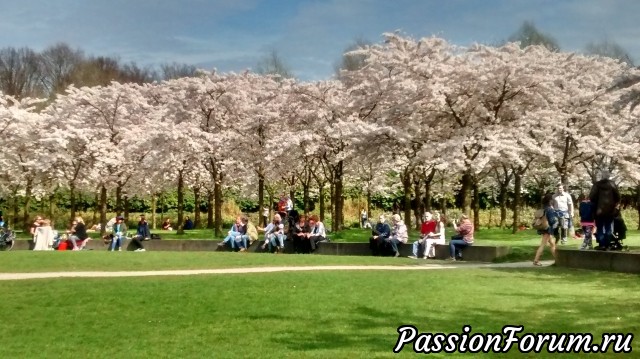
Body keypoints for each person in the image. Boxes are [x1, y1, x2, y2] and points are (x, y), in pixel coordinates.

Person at [589, 171, 620, 250]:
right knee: (608, 227)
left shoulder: (597, 185)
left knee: (599, 228)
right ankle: (608, 244)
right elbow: (618, 196)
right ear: (608, 176)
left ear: (601, 176)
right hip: (610, 210)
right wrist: (614, 204)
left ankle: (602, 245)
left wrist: (596, 202)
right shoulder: (612, 184)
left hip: (599, 210)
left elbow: (592, 196)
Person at [534, 193, 558, 266]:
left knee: (552, 244)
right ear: (550, 200)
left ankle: (558, 259)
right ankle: (536, 260)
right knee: (543, 244)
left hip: (543, 227)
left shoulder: (543, 208)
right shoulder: (549, 209)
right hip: (548, 229)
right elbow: (552, 221)